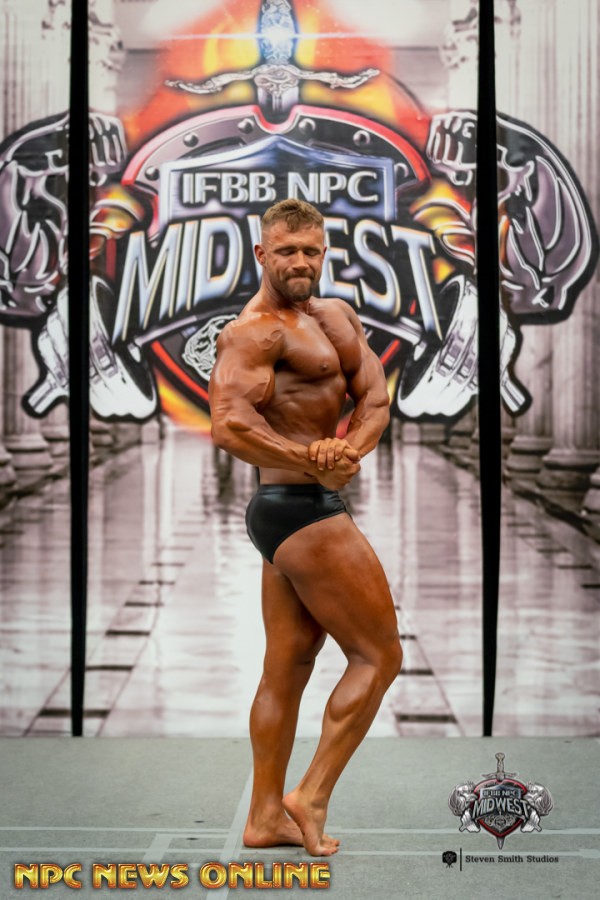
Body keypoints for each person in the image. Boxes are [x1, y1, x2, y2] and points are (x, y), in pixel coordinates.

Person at [208, 198, 402, 857]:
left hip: (300, 507)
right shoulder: (253, 333)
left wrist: (348, 450)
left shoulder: (336, 317)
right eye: (286, 251)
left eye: (310, 250)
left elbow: (374, 397)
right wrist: (311, 460)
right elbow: (230, 425)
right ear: (261, 254)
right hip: (297, 510)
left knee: (287, 667)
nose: (300, 261)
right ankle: (310, 795)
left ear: (324, 252)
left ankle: (265, 816)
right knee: (380, 656)